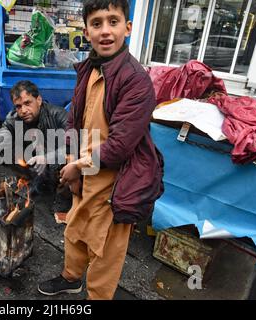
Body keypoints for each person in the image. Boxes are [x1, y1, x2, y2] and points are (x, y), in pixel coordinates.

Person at [37, 0, 164, 300]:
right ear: (87, 31)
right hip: (85, 173)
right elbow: (74, 118)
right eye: (97, 23)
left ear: (128, 28)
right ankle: (71, 278)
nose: (105, 31)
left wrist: (76, 167)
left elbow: (119, 147)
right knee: (75, 230)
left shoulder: (135, 81)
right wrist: (71, 162)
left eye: (113, 21)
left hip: (115, 182)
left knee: (104, 248)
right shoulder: (91, 68)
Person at [0, 80, 71, 216]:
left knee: (72, 160)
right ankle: (27, 184)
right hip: (34, 166)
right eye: (18, 106)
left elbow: (72, 146)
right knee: (6, 150)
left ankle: (63, 198)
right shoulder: (14, 118)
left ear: (39, 100)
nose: (23, 111)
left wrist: (47, 158)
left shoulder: (58, 115)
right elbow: (4, 133)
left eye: (27, 103)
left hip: (56, 167)